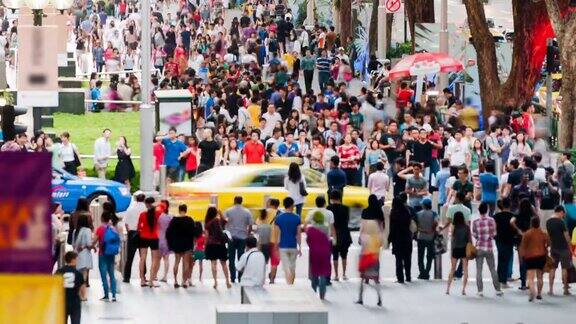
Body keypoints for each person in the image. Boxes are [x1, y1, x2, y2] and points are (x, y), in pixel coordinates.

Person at [472, 202, 503, 297]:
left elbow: (475, 234)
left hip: (479, 247)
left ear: (479, 210)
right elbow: (494, 234)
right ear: (487, 210)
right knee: (492, 269)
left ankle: (480, 290)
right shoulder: (492, 220)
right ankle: (497, 289)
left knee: (479, 269)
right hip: (489, 247)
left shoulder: (476, 221)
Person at [225, 196, 254, 283]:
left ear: (234, 201)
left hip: (231, 238)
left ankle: (232, 277)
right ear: (242, 201)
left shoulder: (228, 211)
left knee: (231, 258)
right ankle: (240, 277)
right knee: (241, 258)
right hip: (242, 237)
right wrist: (248, 234)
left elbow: (224, 221)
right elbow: (250, 225)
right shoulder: (247, 212)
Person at [166, 204, 196, 288]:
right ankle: (184, 281)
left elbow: (168, 232)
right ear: (186, 210)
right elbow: (194, 232)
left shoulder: (174, 220)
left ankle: (175, 281)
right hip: (187, 244)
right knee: (186, 263)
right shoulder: (190, 220)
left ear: (179, 210)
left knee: (176, 262)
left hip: (177, 244)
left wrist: (170, 242)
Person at [519, 216, 549, 301]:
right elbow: (548, 243)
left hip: (530, 257)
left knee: (530, 277)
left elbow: (523, 246)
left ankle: (532, 291)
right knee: (540, 277)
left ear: (531, 223)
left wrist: (521, 257)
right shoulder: (544, 233)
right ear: (539, 223)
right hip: (541, 256)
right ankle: (539, 293)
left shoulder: (527, 233)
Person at [275, 197, 302, 285]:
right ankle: (291, 284)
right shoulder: (297, 218)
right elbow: (298, 234)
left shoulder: (279, 218)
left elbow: (277, 234)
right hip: (293, 245)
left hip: (283, 245)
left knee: (286, 267)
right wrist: (299, 246)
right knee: (292, 266)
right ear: (292, 205)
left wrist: (276, 245)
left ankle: (289, 284)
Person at [356, 216, 383, 306]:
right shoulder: (378, 237)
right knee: (376, 280)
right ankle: (379, 299)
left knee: (362, 279)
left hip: (366, 259)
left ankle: (360, 298)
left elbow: (360, 242)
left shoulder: (364, 237)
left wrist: (362, 228)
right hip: (375, 259)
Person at [546, 205, 572, 296]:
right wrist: (570, 247)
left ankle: (550, 289)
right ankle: (565, 290)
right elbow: (567, 236)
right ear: (561, 212)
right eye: (563, 214)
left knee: (552, 268)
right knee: (565, 269)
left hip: (554, 248)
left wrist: (549, 245)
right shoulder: (561, 222)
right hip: (564, 248)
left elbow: (548, 236)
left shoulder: (548, 222)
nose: (563, 216)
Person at [306, 211, 332, 300]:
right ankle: (322, 293)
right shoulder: (326, 227)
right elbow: (328, 238)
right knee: (323, 272)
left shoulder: (310, 229)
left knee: (314, 272)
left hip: (314, 252)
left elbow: (308, 240)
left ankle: (313, 290)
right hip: (325, 251)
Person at [205, 206, 232, 289]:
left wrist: (205, 245)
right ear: (215, 213)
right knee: (224, 264)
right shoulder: (217, 220)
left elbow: (206, 236)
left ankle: (215, 282)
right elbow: (225, 221)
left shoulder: (207, 223)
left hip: (211, 244)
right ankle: (227, 281)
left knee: (213, 263)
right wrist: (220, 213)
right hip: (220, 244)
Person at [93, 211, 118, 301]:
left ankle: (106, 294)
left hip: (102, 253)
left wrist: (93, 246)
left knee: (104, 275)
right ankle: (114, 295)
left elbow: (94, 240)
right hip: (111, 253)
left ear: (102, 218)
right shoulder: (113, 229)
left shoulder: (100, 229)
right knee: (112, 274)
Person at [327, 190, 352, 281]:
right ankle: (344, 274)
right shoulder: (346, 208)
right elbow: (347, 220)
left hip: (334, 234)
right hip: (345, 233)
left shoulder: (328, 208)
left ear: (331, 198)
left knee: (335, 255)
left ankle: (336, 275)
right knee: (344, 255)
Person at [55, 251, 86, 324]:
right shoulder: (78, 274)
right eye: (76, 259)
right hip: (74, 302)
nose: (77, 261)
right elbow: (83, 290)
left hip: (62, 302)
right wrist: (83, 297)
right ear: (73, 260)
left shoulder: (59, 272)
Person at [138, 197, 161, 287]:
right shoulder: (158, 214)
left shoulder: (142, 214)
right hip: (155, 237)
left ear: (146, 204)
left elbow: (139, 227)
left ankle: (142, 280)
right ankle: (151, 280)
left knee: (142, 258)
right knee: (154, 259)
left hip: (143, 237)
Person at [123, 193, 146, 283]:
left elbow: (126, 222)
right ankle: (143, 276)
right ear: (144, 199)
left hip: (132, 233)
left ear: (136, 199)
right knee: (143, 256)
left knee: (130, 257)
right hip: (143, 233)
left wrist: (129, 231)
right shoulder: (145, 209)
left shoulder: (131, 208)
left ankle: (126, 277)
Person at [389, 196, 413, 283]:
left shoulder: (393, 213)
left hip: (397, 238)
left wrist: (389, 239)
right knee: (407, 258)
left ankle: (400, 278)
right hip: (407, 237)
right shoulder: (407, 211)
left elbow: (392, 227)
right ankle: (408, 276)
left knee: (398, 259)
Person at [445, 211, 471, 295]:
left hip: (455, 248)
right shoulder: (467, 227)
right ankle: (463, 290)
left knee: (452, 268)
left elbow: (452, 238)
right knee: (465, 269)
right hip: (464, 248)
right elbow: (469, 239)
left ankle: (448, 289)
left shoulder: (454, 227)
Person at [493, 198, 516, 288]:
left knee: (500, 258)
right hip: (509, 240)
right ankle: (504, 281)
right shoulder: (513, 216)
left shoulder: (496, 216)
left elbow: (494, 228)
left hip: (499, 239)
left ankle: (499, 279)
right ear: (509, 205)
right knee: (506, 260)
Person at [71, 214, 93, 301]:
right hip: (85, 255)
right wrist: (92, 246)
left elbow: (73, 244)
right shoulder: (87, 230)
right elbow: (88, 243)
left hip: (76, 255)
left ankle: (77, 294)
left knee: (77, 276)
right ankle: (82, 295)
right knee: (83, 278)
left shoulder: (75, 231)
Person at [416, 198, 437, 280]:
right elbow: (436, 222)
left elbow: (416, 225)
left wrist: (421, 230)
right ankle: (427, 272)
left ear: (423, 205)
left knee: (420, 256)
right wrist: (432, 229)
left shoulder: (418, 214)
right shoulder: (434, 214)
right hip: (430, 237)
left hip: (421, 236)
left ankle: (422, 272)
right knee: (429, 256)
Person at [157, 200, 174, 283]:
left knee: (158, 259)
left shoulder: (158, 216)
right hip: (167, 239)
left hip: (159, 238)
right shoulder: (170, 217)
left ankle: (155, 275)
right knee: (166, 259)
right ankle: (165, 276)